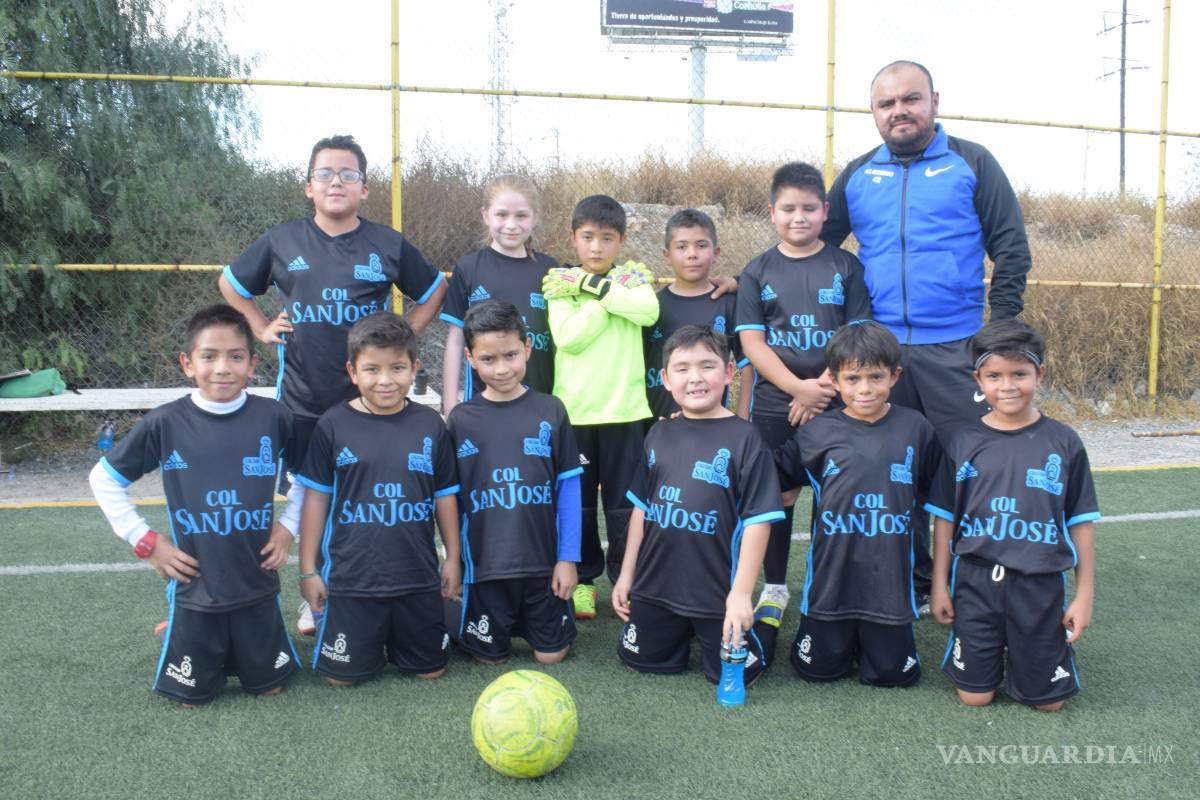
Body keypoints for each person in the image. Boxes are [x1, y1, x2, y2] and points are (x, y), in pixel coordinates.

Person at [218, 134, 446, 634]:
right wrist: (260, 327)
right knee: (310, 498)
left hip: (370, 404)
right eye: (325, 173)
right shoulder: (282, 241)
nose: (335, 182)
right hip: (303, 401)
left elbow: (435, 289)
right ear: (308, 186)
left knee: (365, 497)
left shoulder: (387, 243)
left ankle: (369, 586)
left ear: (364, 188)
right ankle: (314, 591)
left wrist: (405, 336)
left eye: (347, 174)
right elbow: (231, 285)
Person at [821, 60, 1033, 598]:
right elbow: (817, 250)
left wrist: (999, 334)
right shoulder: (858, 175)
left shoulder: (972, 161)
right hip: (881, 354)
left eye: (910, 99)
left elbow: (1010, 246)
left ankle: (975, 575)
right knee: (895, 468)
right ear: (873, 112)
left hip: (956, 346)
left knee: (970, 465)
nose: (900, 111)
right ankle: (914, 575)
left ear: (934, 101)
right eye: (887, 103)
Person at [88, 304, 302, 705]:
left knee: (270, 687)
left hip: (256, 581)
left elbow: (310, 476)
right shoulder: (165, 423)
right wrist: (146, 542)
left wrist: (289, 526)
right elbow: (103, 479)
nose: (222, 368)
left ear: (252, 364)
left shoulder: (273, 416)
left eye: (235, 356)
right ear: (188, 364)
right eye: (209, 356)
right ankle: (181, 630)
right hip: (195, 585)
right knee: (191, 699)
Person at [926, 319, 1098, 711]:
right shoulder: (963, 441)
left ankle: (1032, 656)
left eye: (1019, 374)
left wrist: (1084, 596)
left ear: (1040, 374)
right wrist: (939, 585)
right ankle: (990, 652)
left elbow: (1081, 522)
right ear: (978, 380)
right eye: (994, 376)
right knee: (975, 697)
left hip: (1039, 585)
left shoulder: (1064, 442)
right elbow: (944, 520)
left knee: (1049, 703)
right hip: (976, 583)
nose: (1007, 386)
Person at [735, 162, 872, 628]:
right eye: (789, 208)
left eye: (809, 208)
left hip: (838, 400)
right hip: (778, 404)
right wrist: (798, 388)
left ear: (825, 211)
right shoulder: (757, 271)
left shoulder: (846, 266)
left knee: (837, 494)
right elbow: (753, 344)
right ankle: (775, 586)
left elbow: (855, 338)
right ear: (772, 212)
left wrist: (823, 388)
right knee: (780, 494)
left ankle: (830, 586)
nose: (799, 217)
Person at [613, 325, 784, 686]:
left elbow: (758, 521)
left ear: (728, 371)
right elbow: (641, 510)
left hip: (716, 595)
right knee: (637, 661)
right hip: (655, 587)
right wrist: (628, 575)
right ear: (665, 378)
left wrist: (740, 595)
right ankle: (679, 629)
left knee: (737, 675)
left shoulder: (747, 438)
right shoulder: (659, 432)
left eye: (707, 366)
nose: (695, 378)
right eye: (682, 368)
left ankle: (766, 621)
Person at [294, 314, 461, 684]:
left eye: (397, 368)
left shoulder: (430, 425)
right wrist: (308, 570)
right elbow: (316, 501)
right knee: (340, 679)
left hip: (417, 578)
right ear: (352, 372)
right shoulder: (332, 425)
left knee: (431, 672)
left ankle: (443, 617)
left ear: (414, 369)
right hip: (353, 580)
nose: (385, 380)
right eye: (372, 369)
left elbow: (445, 496)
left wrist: (453, 558)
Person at [775, 321, 939, 687]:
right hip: (830, 587)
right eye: (852, 379)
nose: (865, 389)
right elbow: (772, 477)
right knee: (815, 672)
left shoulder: (916, 428)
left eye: (876, 377)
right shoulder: (816, 432)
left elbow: (936, 495)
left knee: (894, 677)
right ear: (834, 381)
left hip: (890, 591)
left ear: (894, 376)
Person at [446, 300, 583, 664]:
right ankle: (450, 614)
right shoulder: (461, 419)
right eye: (488, 359)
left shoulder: (551, 409)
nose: (502, 368)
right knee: (488, 657)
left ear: (527, 348)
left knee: (551, 657)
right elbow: (451, 501)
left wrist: (567, 560)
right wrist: (454, 559)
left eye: (510, 355)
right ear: (471, 359)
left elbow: (569, 490)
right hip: (486, 567)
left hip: (543, 565)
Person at [542, 194, 659, 619]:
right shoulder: (559, 283)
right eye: (588, 237)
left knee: (624, 506)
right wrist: (609, 299)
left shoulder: (634, 278)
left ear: (621, 241)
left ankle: (628, 580)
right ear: (573, 237)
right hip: (576, 414)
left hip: (626, 412)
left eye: (607, 238)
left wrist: (594, 289)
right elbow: (569, 338)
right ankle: (584, 582)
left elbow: (647, 312)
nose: (596, 247)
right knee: (581, 505)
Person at [440, 174, 558, 416]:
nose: (511, 224)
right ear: (486, 215)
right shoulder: (469, 268)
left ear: (535, 217)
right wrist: (450, 404)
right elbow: (456, 339)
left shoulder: (550, 270)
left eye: (521, 215)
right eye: (502, 215)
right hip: (483, 407)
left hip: (540, 401)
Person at [644, 209, 751, 421]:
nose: (692, 254)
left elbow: (748, 367)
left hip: (711, 427)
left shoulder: (728, 304)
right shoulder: (649, 306)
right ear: (667, 255)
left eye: (701, 245)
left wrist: (741, 420)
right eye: (681, 247)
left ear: (716, 252)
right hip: (656, 425)